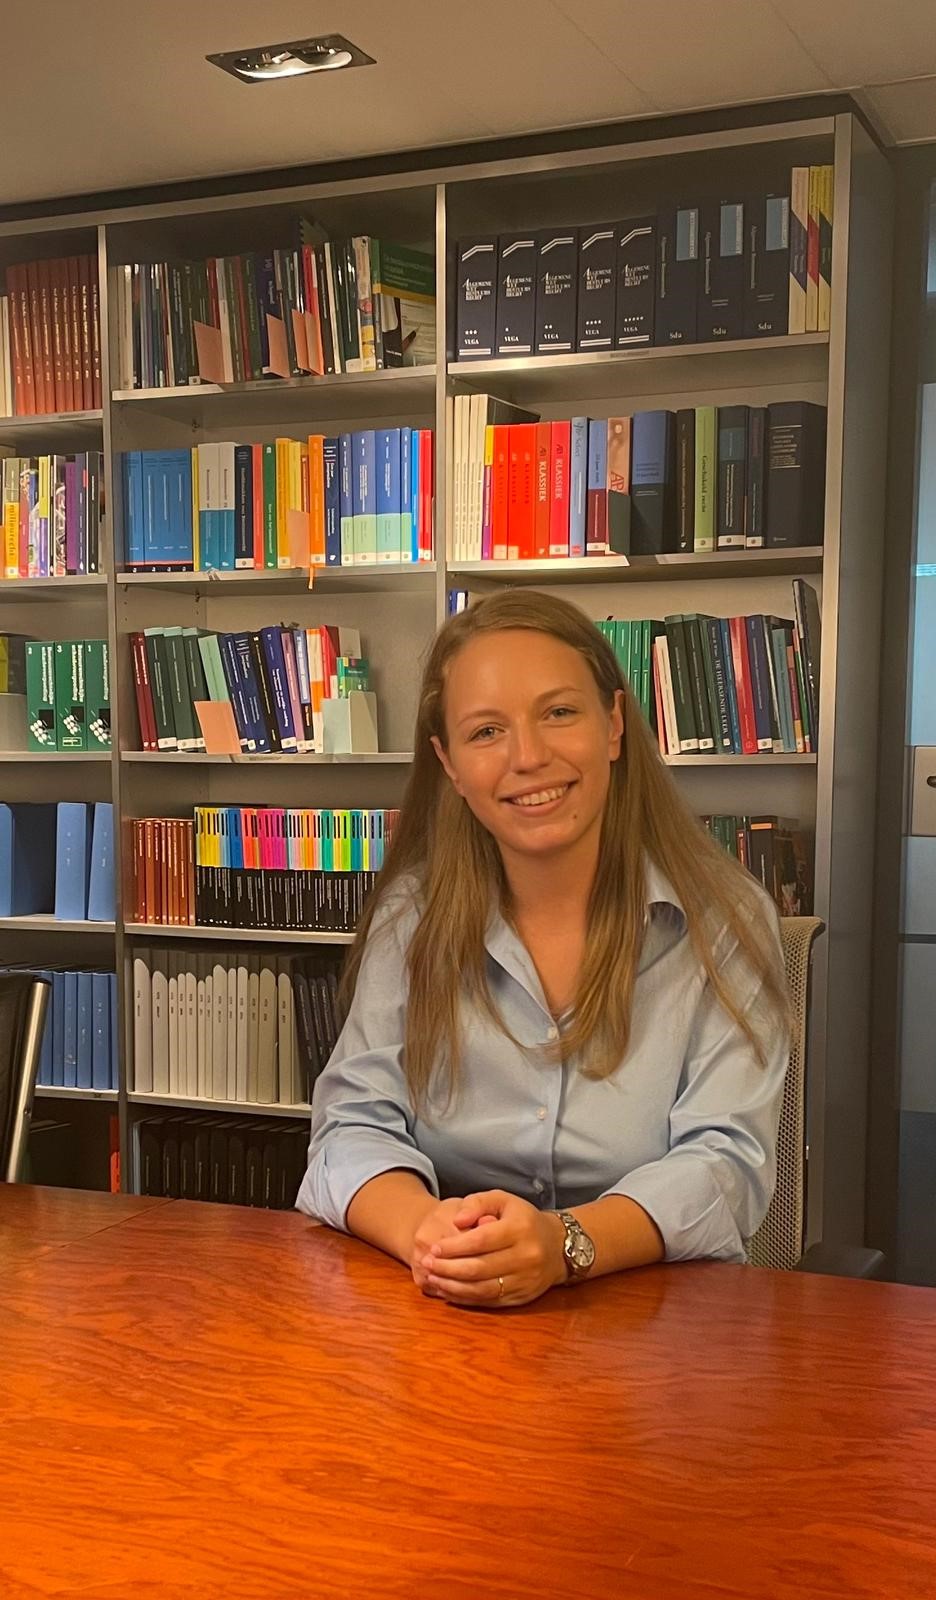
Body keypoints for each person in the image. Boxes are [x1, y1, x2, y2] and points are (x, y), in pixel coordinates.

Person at [296, 589, 790, 1307]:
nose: (528, 757)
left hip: (651, 1316)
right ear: (449, 765)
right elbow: (350, 1126)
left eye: (559, 713)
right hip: (443, 1303)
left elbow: (726, 1163)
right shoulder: (411, 916)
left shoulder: (727, 921)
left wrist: (561, 1246)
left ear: (613, 725)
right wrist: (430, 1237)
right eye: (486, 731)